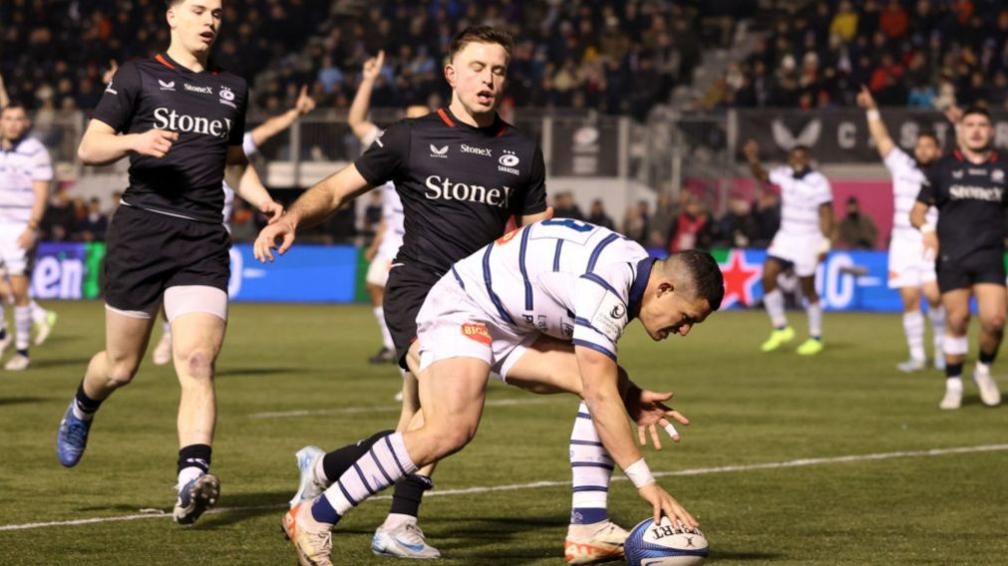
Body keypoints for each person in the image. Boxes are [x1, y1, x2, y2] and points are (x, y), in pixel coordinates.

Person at [257, 26, 641, 564]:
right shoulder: (409, 137)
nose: (488, 79)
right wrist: (293, 216)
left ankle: (329, 476)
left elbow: (535, 242)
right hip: (420, 293)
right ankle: (376, 516)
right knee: (442, 419)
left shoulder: (522, 151)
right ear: (451, 74)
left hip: (488, 300)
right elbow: (339, 187)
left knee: (425, 422)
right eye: (477, 67)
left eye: (498, 70)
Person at [279, 221, 723, 566]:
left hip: (511, 325)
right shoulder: (610, 283)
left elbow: (601, 381)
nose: (683, 330)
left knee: (607, 382)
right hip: (466, 307)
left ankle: (587, 529)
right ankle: (315, 517)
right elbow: (600, 389)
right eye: (686, 318)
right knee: (449, 430)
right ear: (664, 288)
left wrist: (630, 393)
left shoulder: (633, 273)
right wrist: (648, 485)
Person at [55, 0, 283, 527]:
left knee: (198, 362)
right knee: (120, 367)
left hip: (202, 240)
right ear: (172, 17)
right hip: (141, 232)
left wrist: (264, 198)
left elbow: (234, 160)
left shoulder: (233, 88)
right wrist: (136, 139)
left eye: (218, 13)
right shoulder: (139, 74)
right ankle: (83, 407)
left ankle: (190, 478)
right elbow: (90, 147)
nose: (209, 20)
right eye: (199, 10)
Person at [150, 83, 316, 366]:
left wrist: (294, 115)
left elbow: (264, 132)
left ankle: (192, 350)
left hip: (210, 233)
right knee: (162, 294)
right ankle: (169, 332)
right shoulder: (172, 138)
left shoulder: (223, 143)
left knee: (199, 310)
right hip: (170, 226)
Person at [911, 106, 1005, 410]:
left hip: (990, 255)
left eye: (982, 124)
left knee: (994, 320)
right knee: (958, 318)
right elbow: (917, 211)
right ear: (960, 130)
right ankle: (953, 383)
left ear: (991, 131)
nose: (976, 130)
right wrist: (926, 230)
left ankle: (982, 371)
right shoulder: (942, 168)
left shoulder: (1004, 167)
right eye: (970, 124)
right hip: (952, 256)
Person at [858, 86, 945, 372]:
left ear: (938, 150)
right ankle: (918, 356)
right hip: (902, 243)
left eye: (928, 146)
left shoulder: (945, 174)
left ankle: (944, 350)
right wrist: (872, 109)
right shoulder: (903, 165)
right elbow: (882, 139)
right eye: (919, 145)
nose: (922, 150)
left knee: (934, 295)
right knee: (910, 298)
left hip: (930, 239)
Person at [349, 50, 427, 365]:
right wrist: (368, 79)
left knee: (408, 301)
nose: (414, 121)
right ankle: (390, 344)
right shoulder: (393, 144)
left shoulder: (444, 152)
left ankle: (418, 356)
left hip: (419, 240)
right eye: (410, 116)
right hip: (393, 234)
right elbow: (355, 121)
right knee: (374, 286)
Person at [743, 140, 834, 355]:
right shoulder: (783, 173)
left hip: (809, 238)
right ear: (790, 159)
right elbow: (762, 176)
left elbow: (827, 213)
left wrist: (825, 243)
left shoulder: (818, 182)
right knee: (767, 276)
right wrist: (753, 159)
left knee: (808, 290)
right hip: (786, 236)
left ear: (809, 160)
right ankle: (781, 327)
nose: (798, 161)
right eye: (794, 157)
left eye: (802, 157)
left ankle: (816, 336)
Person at [0, 102, 52, 370]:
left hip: (21, 225)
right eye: (8, 118)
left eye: (19, 118)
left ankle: (22, 351)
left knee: (19, 290)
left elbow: (41, 192)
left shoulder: (36, 152)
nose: (13, 123)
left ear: (26, 123)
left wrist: (32, 227)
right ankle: (5, 332)